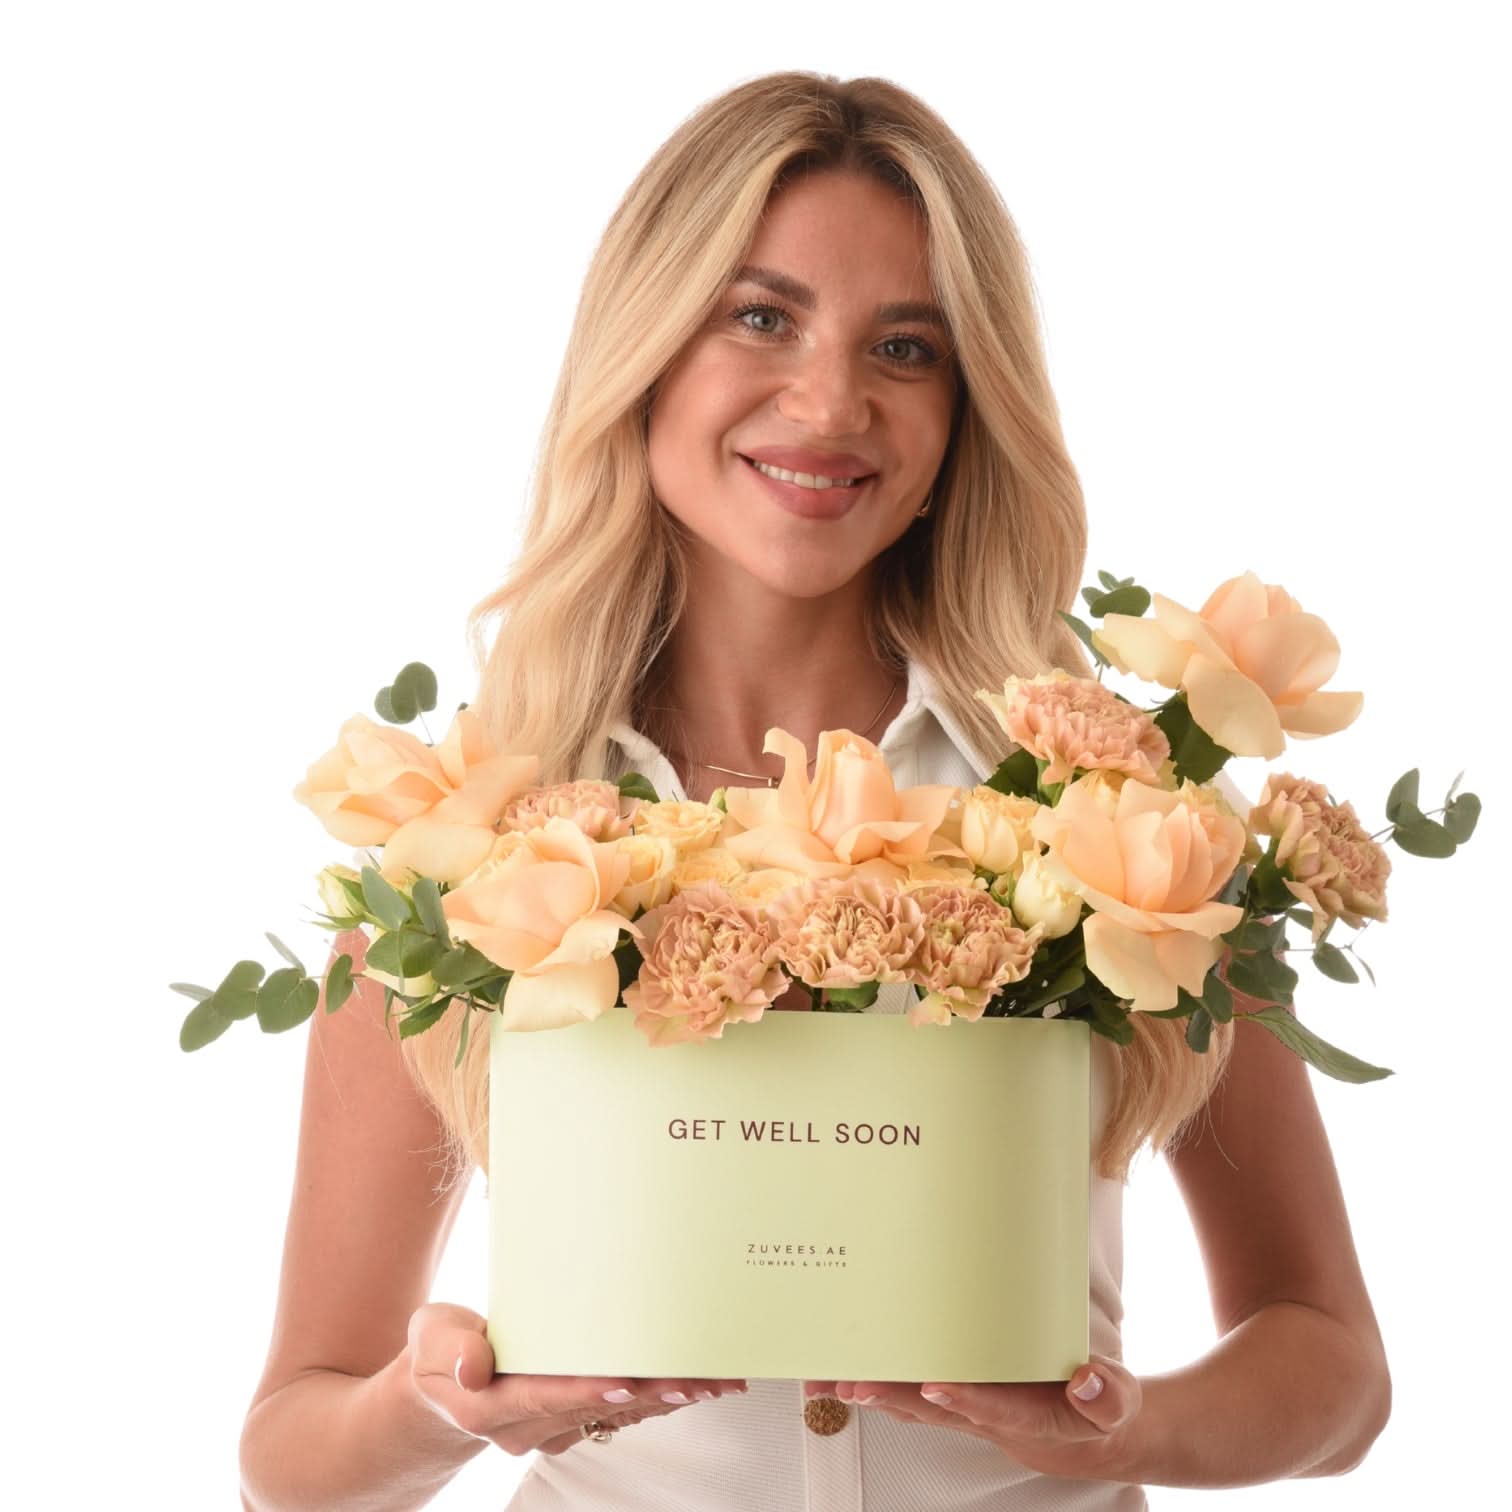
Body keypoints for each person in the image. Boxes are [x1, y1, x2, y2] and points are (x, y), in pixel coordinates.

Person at [238, 70, 1392, 1510]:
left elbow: (1333, 1372)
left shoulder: (1127, 820)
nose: (833, 400)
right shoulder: (461, 837)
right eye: (760, 316)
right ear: (645, 347)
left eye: (905, 346)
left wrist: (1130, 1429)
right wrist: (449, 1407)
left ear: (967, 411)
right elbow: (294, 1457)